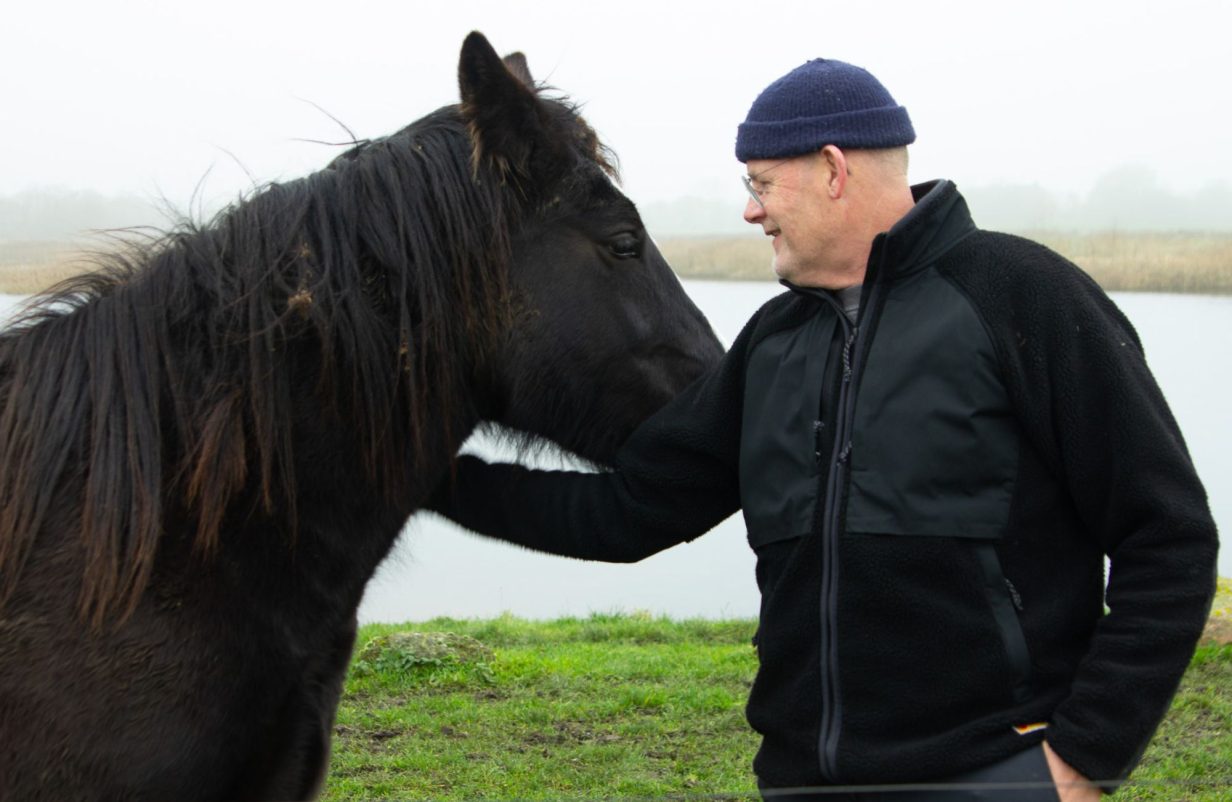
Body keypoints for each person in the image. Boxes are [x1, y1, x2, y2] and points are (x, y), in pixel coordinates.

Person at [431, 58, 1218, 801]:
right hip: (802, 780)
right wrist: (433, 480)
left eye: (763, 183)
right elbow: (630, 511)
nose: (750, 208)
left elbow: (1168, 538)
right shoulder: (772, 344)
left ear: (835, 171)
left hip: (995, 775)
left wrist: (1084, 758)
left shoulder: (1026, 299)